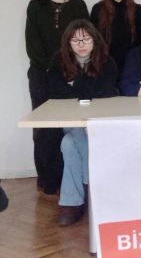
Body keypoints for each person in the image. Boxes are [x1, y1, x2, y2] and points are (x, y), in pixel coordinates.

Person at [25, 0, 89, 195]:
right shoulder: (36, 6)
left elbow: (84, 41)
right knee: (44, 128)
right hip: (41, 74)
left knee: (72, 126)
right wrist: (49, 68)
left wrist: (68, 68)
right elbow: (32, 43)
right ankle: (48, 178)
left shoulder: (78, 5)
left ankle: (70, 177)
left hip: (71, 73)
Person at [47, 20, 118, 225]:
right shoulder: (58, 61)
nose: (81, 44)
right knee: (78, 130)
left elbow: (105, 93)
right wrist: (83, 86)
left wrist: (75, 85)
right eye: (75, 40)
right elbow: (56, 94)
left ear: (95, 40)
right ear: (68, 43)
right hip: (69, 118)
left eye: (86, 39)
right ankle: (91, 187)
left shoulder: (106, 61)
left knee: (68, 144)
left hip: (99, 120)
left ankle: (71, 202)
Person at [90, 0, 141, 74]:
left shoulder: (137, 10)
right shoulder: (98, 9)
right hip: (104, 64)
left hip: (131, 65)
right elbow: (93, 40)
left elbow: (140, 41)